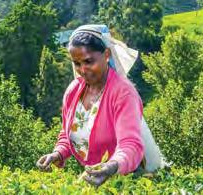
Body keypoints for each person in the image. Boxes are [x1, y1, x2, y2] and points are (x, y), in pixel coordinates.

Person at [36, 24, 164, 187]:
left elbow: (130, 144)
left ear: (107, 55)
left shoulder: (123, 94)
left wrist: (110, 167)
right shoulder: (74, 91)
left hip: (126, 179)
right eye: (77, 63)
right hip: (95, 178)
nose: (83, 70)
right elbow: (68, 134)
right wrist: (57, 153)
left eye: (89, 61)